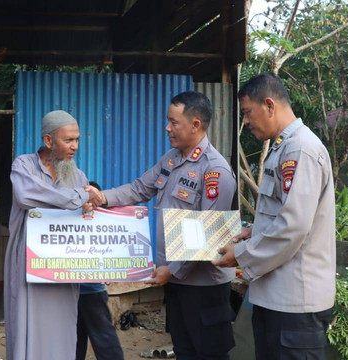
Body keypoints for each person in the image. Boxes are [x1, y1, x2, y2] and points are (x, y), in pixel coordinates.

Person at [91, 91, 238, 360]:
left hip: (203, 288)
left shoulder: (215, 171)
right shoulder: (171, 159)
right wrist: (102, 197)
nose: (167, 127)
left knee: (209, 355)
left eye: (174, 122)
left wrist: (172, 270)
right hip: (176, 280)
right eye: (168, 121)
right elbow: (139, 189)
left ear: (195, 125)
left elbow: (209, 236)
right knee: (185, 351)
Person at [213, 73, 336, 359]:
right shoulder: (283, 147)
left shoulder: (300, 149)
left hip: (295, 305)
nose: (245, 121)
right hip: (276, 299)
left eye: (247, 113)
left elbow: (293, 227)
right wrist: (254, 231)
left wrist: (241, 254)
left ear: (269, 105)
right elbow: (284, 214)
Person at [4, 110, 103, 360]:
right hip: (29, 264)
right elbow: (27, 195)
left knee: (62, 328)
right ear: (48, 141)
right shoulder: (24, 165)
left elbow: (86, 223)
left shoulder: (76, 176)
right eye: (68, 140)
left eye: (77, 140)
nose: (75, 146)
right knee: (27, 325)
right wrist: (80, 198)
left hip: (62, 268)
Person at [75, 182, 125, 360]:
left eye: (92, 199)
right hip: (68, 292)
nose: (88, 203)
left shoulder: (103, 222)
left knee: (104, 338)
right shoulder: (68, 219)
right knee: (73, 340)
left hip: (92, 291)